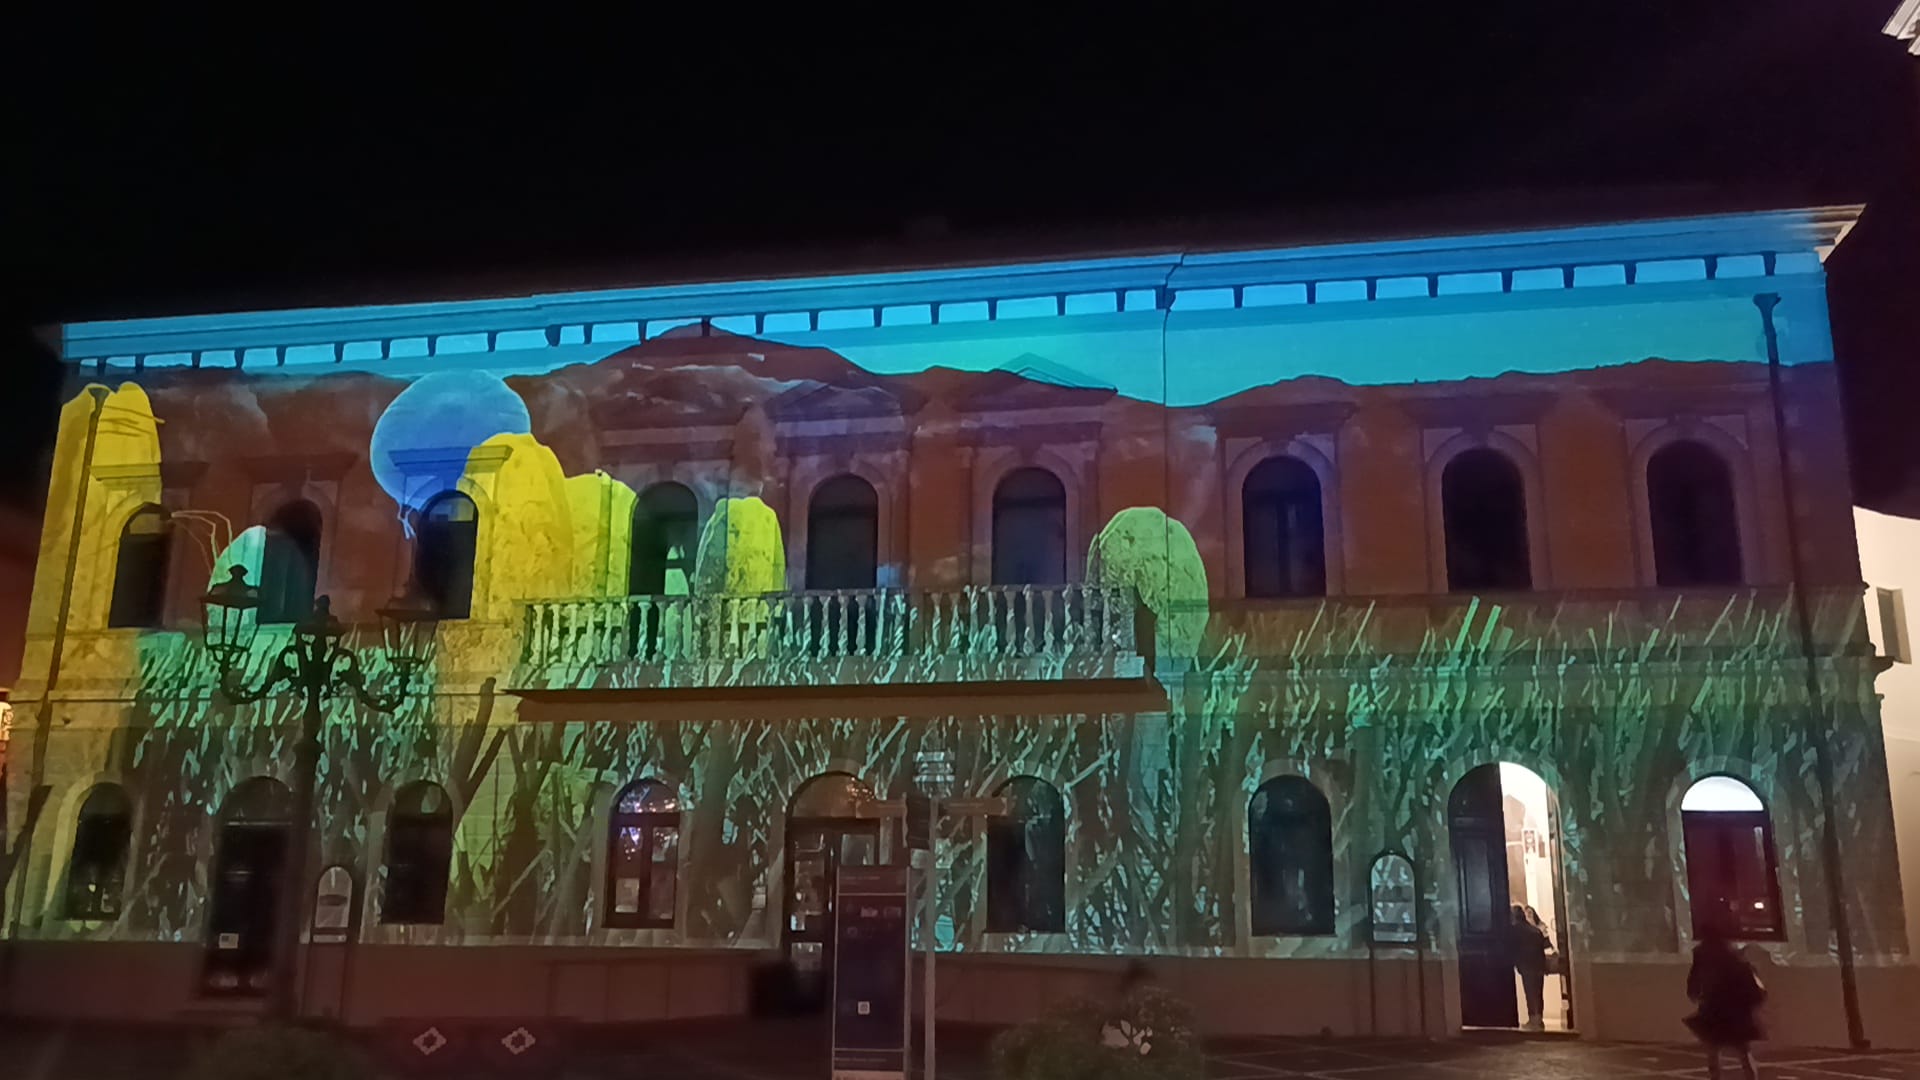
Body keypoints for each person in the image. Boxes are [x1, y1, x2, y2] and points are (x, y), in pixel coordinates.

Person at [1684, 922, 1766, 1080]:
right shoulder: (1733, 953)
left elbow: (1695, 977)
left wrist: (1694, 992)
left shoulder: (1702, 952)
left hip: (1713, 1007)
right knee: (1743, 1051)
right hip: (1736, 1009)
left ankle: (1716, 1078)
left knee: (1713, 1050)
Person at [1508, 904, 1550, 1031]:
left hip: (1526, 965)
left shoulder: (1514, 930)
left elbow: (1514, 949)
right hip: (1538, 965)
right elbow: (1542, 949)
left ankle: (1533, 1020)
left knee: (1530, 993)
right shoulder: (1535, 931)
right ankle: (1539, 1019)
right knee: (1538, 993)